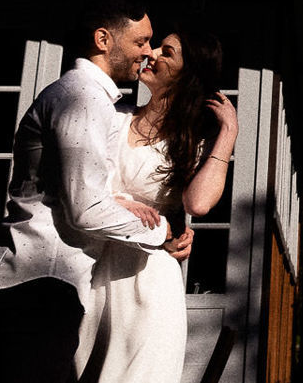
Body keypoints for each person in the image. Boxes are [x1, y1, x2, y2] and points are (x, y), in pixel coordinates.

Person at [0, 0, 176, 383]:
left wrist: (121, 202)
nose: (148, 52)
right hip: (38, 282)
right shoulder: (82, 98)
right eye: (140, 42)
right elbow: (86, 210)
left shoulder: (90, 98)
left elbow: (74, 189)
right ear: (103, 40)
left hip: (41, 285)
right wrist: (160, 232)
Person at [76, 25, 239, 383]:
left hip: (148, 284)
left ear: (187, 74)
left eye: (167, 52)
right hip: (95, 275)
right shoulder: (115, 117)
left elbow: (197, 203)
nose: (151, 54)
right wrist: (120, 203)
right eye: (155, 47)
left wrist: (228, 131)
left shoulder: (190, 142)